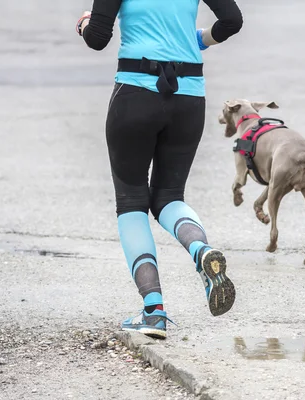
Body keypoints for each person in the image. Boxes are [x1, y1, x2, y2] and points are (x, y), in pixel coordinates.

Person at [76, 0, 243, 339]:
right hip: (188, 97)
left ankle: (154, 312)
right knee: (169, 196)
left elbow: (98, 38)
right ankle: (201, 250)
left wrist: (83, 24)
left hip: (135, 94)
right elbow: (232, 20)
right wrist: (198, 39)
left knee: (132, 201)